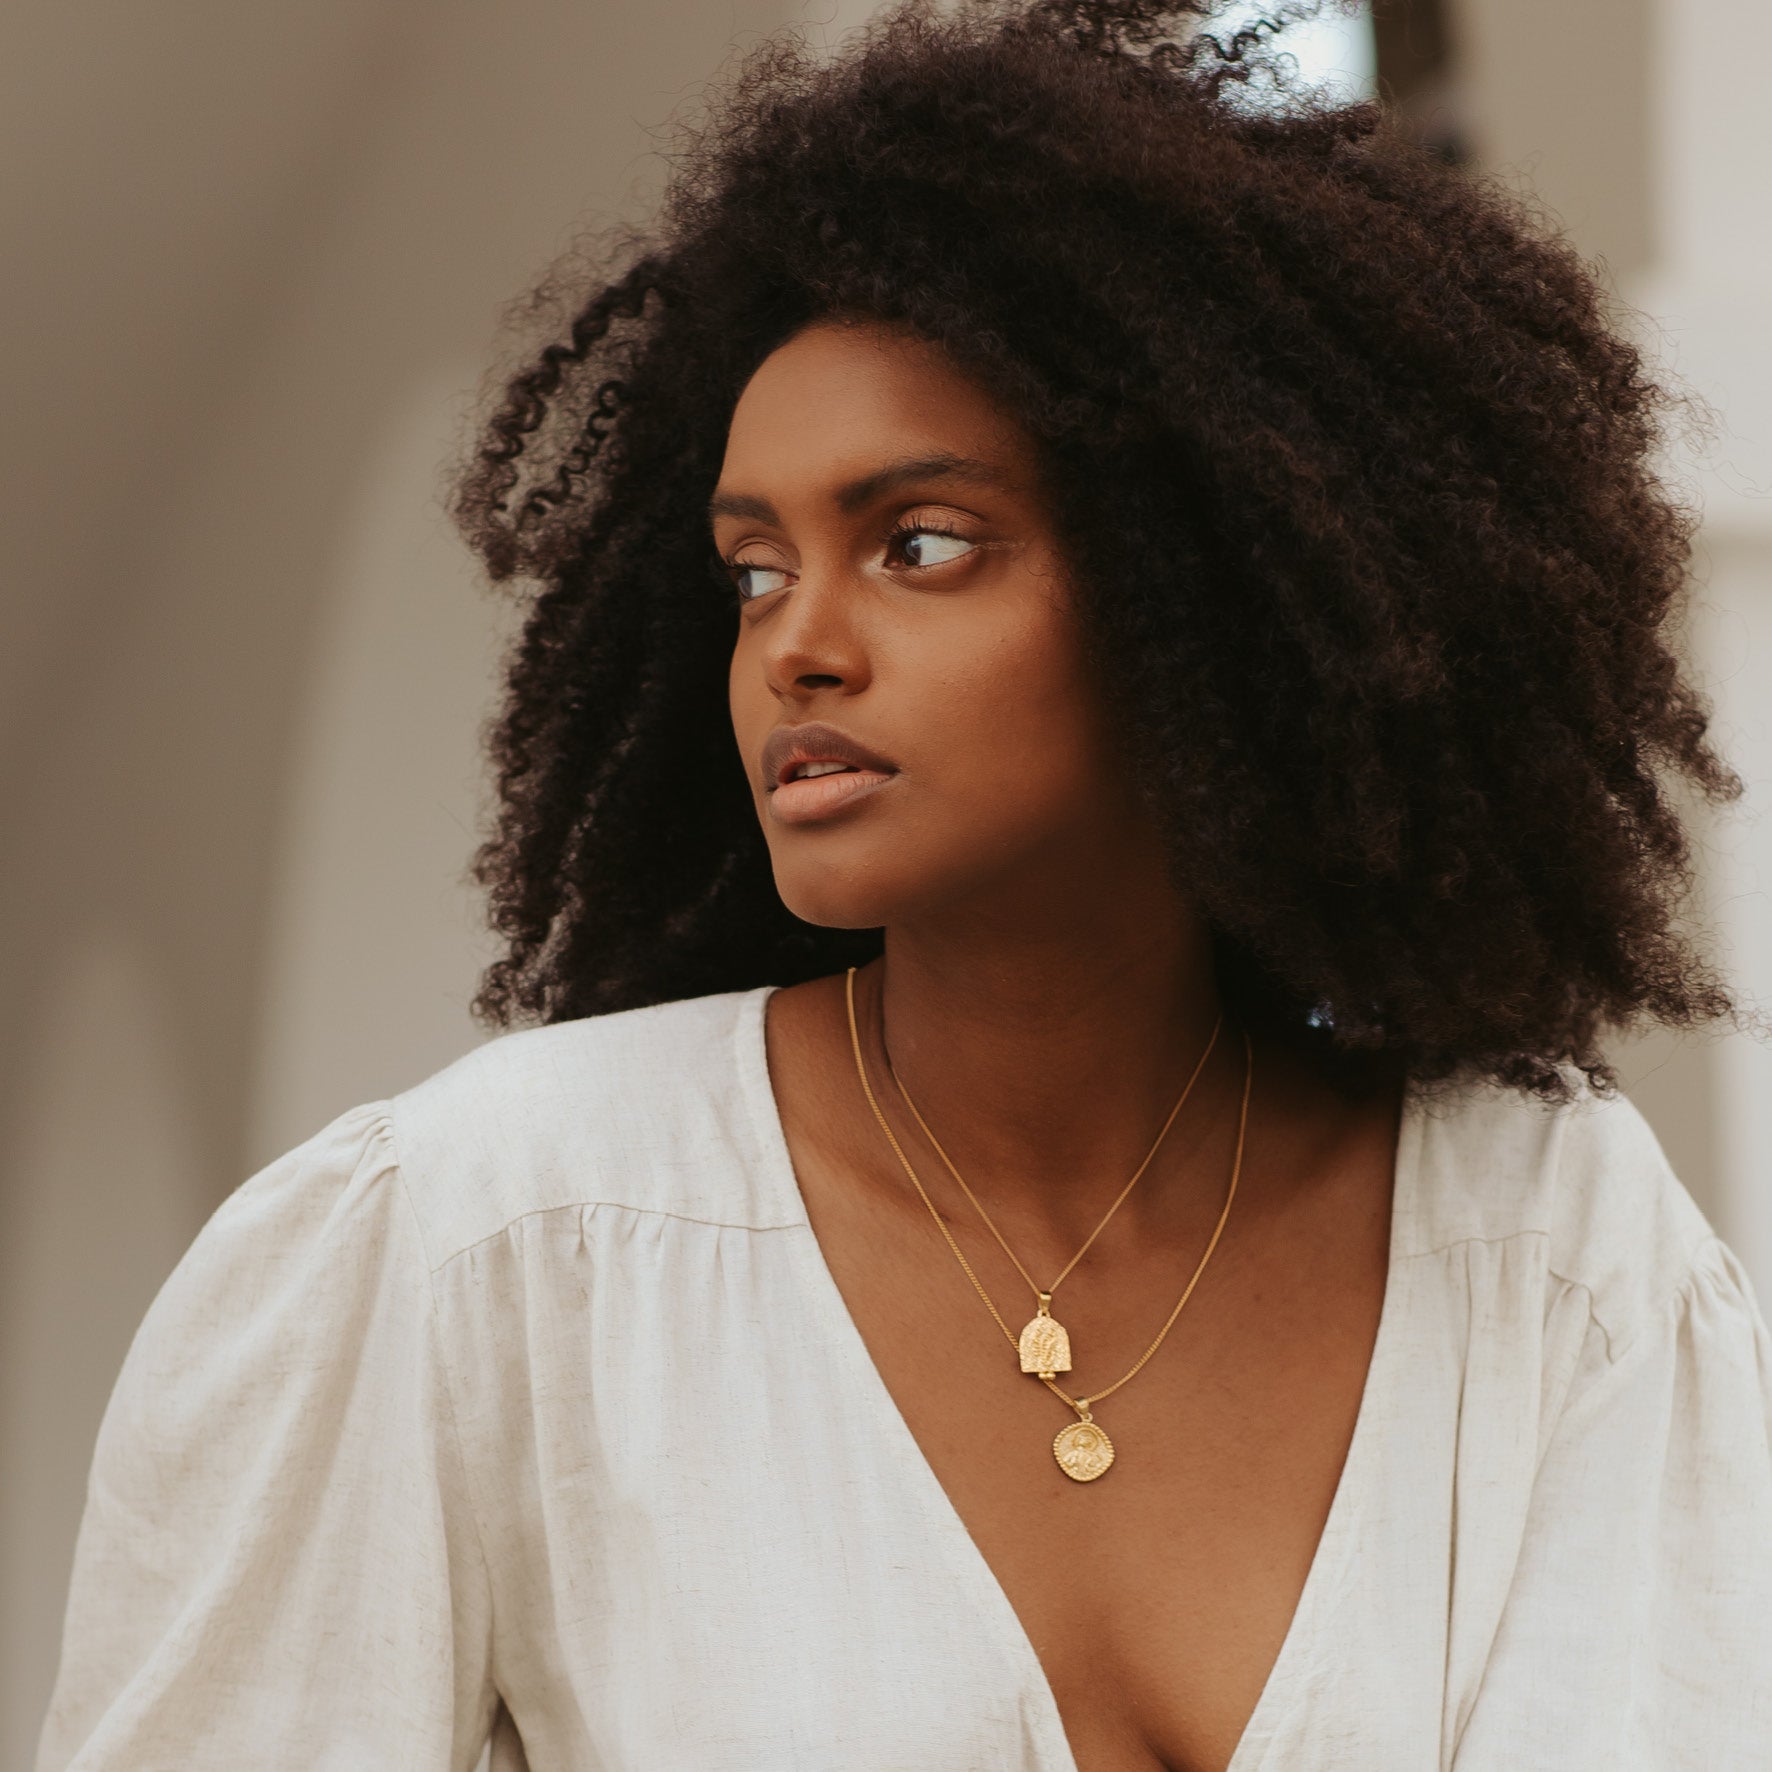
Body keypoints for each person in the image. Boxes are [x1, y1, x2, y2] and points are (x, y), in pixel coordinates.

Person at [37, 1, 1772, 1767]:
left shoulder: (1552, 1255)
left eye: (920, 544)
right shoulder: (492, 1243)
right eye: (751, 573)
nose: (799, 646)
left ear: (1213, 595)